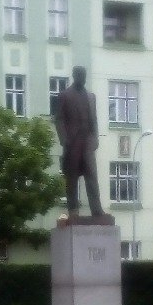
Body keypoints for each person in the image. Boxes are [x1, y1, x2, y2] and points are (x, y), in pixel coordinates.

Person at [55, 66, 105, 218]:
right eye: (79, 75)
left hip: (88, 140)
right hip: (73, 141)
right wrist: (64, 140)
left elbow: (94, 119)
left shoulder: (91, 96)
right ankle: (73, 210)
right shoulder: (65, 95)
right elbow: (59, 119)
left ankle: (96, 210)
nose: (82, 78)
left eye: (84, 75)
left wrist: (96, 137)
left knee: (92, 175)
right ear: (74, 76)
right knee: (72, 177)